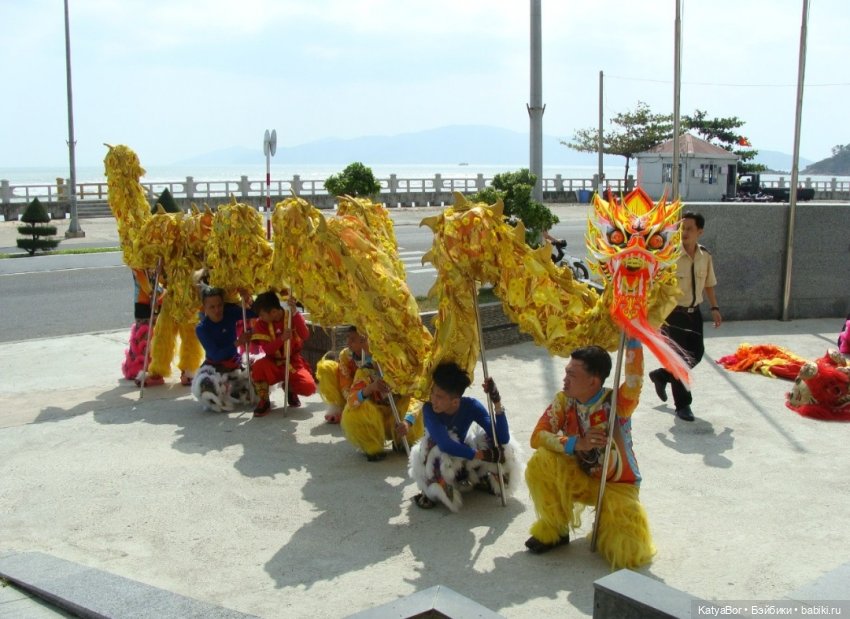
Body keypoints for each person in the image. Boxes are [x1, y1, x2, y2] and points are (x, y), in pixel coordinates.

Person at [524, 341, 654, 569]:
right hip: (581, 477)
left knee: (626, 552)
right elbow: (537, 437)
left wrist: (633, 336)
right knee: (541, 461)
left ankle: (606, 522)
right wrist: (576, 443)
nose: (565, 379)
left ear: (593, 381)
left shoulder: (616, 403)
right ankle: (556, 528)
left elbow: (634, 381)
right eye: (566, 373)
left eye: (572, 375)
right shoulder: (564, 400)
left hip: (616, 485)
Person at [408, 361, 516, 511]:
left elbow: (502, 438)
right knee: (436, 449)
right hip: (433, 458)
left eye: (439, 396)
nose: (433, 399)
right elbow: (445, 444)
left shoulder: (471, 406)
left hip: (462, 453)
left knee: (502, 447)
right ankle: (429, 490)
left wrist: (497, 402)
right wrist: (481, 455)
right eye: (433, 393)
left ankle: (483, 479)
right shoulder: (429, 410)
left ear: (455, 401)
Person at [649, 211, 722, 421]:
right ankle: (683, 405)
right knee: (680, 361)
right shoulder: (669, 256)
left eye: (690, 229)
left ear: (700, 231)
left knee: (697, 353)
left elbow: (709, 284)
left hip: (694, 313)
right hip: (673, 315)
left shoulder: (705, 256)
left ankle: (662, 375)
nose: (685, 233)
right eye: (682, 228)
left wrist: (715, 308)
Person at [340, 335, 424, 461]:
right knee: (356, 410)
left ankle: (402, 441)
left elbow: (418, 397)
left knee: (409, 402)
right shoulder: (365, 372)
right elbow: (351, 402)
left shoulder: (404, 371)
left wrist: (408, 422)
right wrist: (371, 388)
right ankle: (372, 447)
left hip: (398, 423)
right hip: (375, 422)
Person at [250, 290, 317, 417]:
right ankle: (264, 400)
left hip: (293, 362)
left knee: (309, 387)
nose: (260, 318)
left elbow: (305, 335)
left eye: (262, 315)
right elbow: (268, 350)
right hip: (272, 362)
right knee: (258, 367)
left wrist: (296, 313)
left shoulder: (292, 316)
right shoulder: (261, 324)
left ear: (274, 312)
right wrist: (281, 339)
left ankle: (290, 389)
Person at [191, 286, 254, 412]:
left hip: (235, 365)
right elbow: (215, 355)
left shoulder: (229, 313)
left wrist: (247, 298)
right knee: (208, 390)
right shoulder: (201, 328)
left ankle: (234, 390)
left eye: (220, 305)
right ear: (204, 308)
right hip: (214, 368)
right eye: (212, 307)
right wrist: (238, 343)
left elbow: (255, 312)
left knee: (259, 385)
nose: (217, 310)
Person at [315, 326, 364, 424]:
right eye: (348, 338)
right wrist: (351, 401)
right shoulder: (345, 354)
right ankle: (339, 408)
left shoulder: (376, 355)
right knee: (326, 367)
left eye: (353, 340)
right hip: (350, 393)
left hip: (368, 394)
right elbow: (344, 382)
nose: (348, 343)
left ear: (365, 341)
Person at [122, 267, 159, 382]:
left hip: (158, 296)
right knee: (143, 331)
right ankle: (140, 368)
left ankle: (155, 368)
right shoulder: (137, 255)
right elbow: (138, 272)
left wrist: (159, 293)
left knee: (156, 332)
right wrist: (151, 292)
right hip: (142, 299)